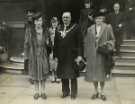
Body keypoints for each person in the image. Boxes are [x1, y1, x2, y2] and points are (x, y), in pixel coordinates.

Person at [84, 12, 115, 101]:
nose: (98, 20)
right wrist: (86, 55)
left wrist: (106, 45)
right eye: (97, 18)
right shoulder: (90, 29)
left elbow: (112, 40)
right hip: (93, 55)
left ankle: (102, 92)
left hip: (102, 55)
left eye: (100, 18)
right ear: (94, 19)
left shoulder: (107, 28)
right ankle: (95, 91)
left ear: (103, 19)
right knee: (94, 74)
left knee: (102, 74)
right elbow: (87, 42)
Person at [54, 12, 83, 99]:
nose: (65, 19)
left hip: (72, 55)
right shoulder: (58, 28)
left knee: (72, 75)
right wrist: (55, 55)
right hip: (62, 56)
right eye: (64, 18)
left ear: (70, 18)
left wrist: (80, 55)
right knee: (63, 75)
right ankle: (65, 92)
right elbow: (56, 43)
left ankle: (74, 93)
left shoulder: (76, 28)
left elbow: (80, 43)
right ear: (62, 19)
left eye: (67, 17)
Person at [24, 12, 49, 100]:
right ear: (34, 22)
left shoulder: (45, 31)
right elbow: (26, 44)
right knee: (35, 74)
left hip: (43, 54)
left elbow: (48, 44)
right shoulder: (30, 31)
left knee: (43, 74)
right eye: (37, 20)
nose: (39, 22)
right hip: (33, 54)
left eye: (40, 20)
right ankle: (36, 92)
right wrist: (26, 56)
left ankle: (43, 92)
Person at [48, 17, 60, 83]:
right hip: (52, 48)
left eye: (55, 22)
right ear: (51, 23)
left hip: (58, 48)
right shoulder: (49, 30)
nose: (54, 24)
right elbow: (48, 39)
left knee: (57, 62)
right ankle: (52, 75)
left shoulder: (60, 30)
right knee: (52, 62)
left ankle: (57, 76)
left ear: (57, 23)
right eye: (53, 23)